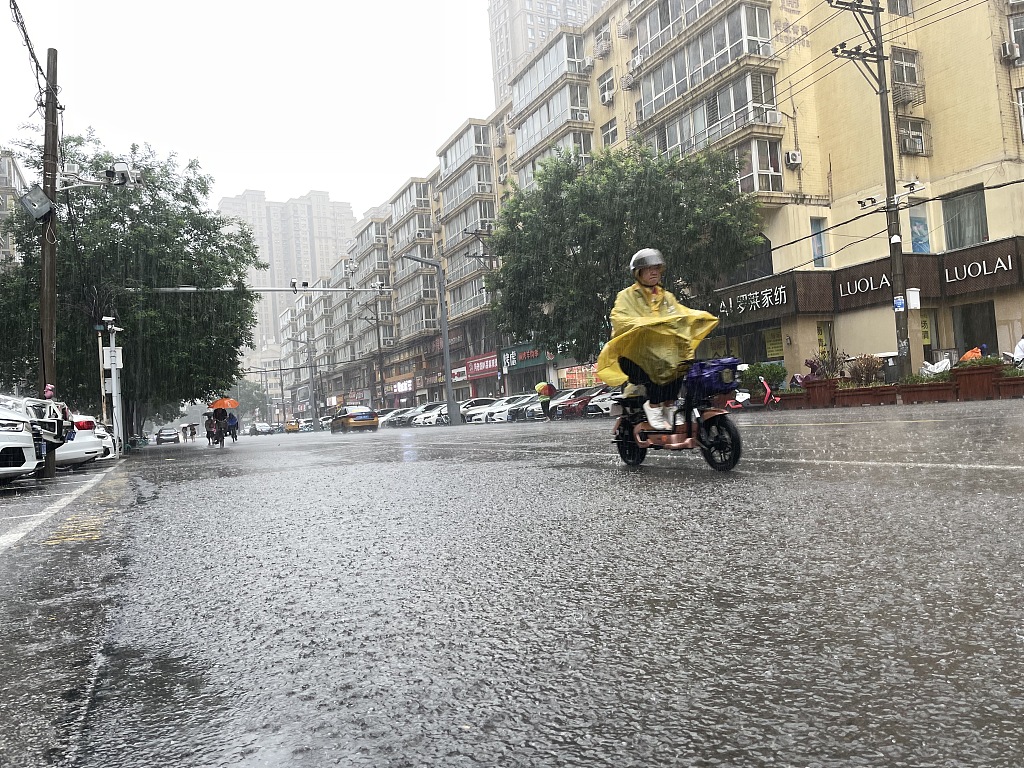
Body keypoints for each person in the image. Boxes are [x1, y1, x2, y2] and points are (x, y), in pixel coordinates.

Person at [595, 248, 719, 431]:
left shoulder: (667, 297)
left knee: (682, 365)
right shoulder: (626, 296)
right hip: (632, 356)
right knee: (653, 369)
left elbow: (680, 314)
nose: (654, 272)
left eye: (657, 268)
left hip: (663, 355)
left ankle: (669, 406)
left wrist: (698, 317)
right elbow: (619, 319)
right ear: (638, 272)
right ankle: (652, 406)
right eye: (648, 268)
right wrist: (645, 324)